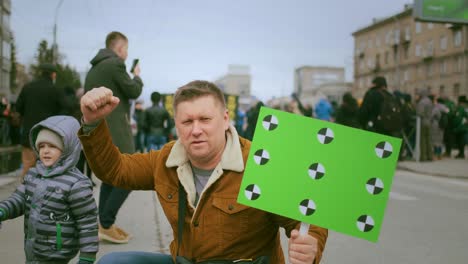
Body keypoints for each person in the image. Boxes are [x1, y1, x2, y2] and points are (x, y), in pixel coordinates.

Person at [78, 81, 328, 264]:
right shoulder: (165, 160)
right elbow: (116, 171)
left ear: (225, 119)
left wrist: (311, 246)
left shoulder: (261, 164)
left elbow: (306, 219)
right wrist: (92, 123)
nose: (196, 130)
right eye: (187, 122)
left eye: (205, 119)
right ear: (176, 124)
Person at [0, 115, 98, 264]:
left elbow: (87, 223)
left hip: (57, 254)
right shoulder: (33, 174)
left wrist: (87, 257)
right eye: (41, 146)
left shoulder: (76, 184)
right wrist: (3, 211)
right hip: (32, 249)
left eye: (52, 146)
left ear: (67, 149)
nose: (45, 151)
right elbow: (19, 199)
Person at [84, 31, 143, 244]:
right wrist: (136, 74)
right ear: (119, 48)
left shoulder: (94, 69)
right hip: (116, 131)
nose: (126, 53)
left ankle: (104, 224)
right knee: (128, 176)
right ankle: (106, 223)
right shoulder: (116, 65)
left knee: (110, 178)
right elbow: (133, 90)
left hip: (99, 130)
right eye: (125, 49)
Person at [16, 63, 65, 179]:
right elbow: (65, 109)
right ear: (53, 75)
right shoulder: (55, 90)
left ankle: (26, 194)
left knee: (28, 166)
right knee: (48, 168)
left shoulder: (27, 87)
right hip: (49, 135)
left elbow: (18, 108)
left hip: (29, 134)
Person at [416, 89, 433, 162]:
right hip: (429, 121)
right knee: (428, 140)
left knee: (422, 140)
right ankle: (430, 156)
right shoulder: (429, 101)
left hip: (423, 122)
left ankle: (423, 156)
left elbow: (420, 113)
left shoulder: (422, 102)